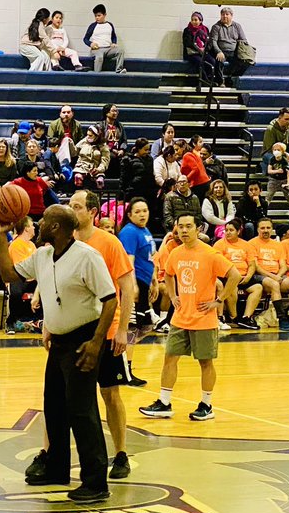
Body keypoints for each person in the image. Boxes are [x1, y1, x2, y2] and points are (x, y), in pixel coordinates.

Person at [0, 205, 118, 502]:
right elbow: (9, 274)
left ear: (58, 228)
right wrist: (0, 235)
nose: (39, 223)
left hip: (84, 339)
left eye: (45, 220)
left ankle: (96, 481)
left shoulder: (88, 257)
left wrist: (96, 343)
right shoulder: (43, 256)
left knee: (81, 410)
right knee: (55, 407)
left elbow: (110, 300)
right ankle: (57, 468)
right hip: (59, 342)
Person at [140, 212, 242, 420]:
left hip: (204, 319)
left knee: (205, 362)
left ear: (198, 229)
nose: (184, 230)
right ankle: (164, 402)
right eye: (181, 227)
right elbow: (168, 274)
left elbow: (235, 275)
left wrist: (219, 299)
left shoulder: (210, 254)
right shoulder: (176, 253)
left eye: (189, 226)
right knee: (169, 358)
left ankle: (206, 405)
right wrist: (173, 294)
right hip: (180, 318)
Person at [72, 190, 137, 480]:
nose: (71, 210)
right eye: (70, 205)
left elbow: (127, 287)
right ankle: (68, 454)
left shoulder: (109, 243)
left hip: (107, 330)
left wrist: (123, 329)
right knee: (71, 397)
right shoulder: (66, 242)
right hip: (75, 332)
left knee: (111, 394)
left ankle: (121, 453)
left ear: (92, 211)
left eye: (77, 206)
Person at [118, 198, 155, 384]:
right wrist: (132, 286)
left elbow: (150, 258)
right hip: (135, 283)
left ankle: (118, 353)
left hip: (145, 282)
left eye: (145, 210)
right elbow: (128, 261)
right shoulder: (129, 232)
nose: (142, 214)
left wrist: (154, 280)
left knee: (147, 326)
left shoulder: (145, 230)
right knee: (131, 328)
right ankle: (125, 370)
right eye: (138, 211)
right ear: (130, 214)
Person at [209, 7, 250, 86]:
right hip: (221, 51)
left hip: (233, 52)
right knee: (219, 60)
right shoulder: (216, 27)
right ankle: (220, 82)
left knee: (246, 62)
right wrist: (219, 51)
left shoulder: (237, 26)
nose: (225, 16)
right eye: (223, 14)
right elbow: (213, 41)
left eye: (227, 14)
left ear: (231, 16)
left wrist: (242, 51)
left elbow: (244, 40)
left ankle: (231, 78)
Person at [84, 4, 125, 73]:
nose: (97, 18)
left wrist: (114, 43)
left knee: (120, 51)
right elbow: (85, 39)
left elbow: (113, 36)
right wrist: (90, 44)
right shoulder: (93, 26)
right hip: (97, 49)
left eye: (99, 16)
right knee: (99, 57)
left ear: (105, 15)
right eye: (95, 16)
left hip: (108, 49)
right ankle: (97, 74)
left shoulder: (110, 25)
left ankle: (119, 70)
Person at [183, 12, 216, 83]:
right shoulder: (187, 30)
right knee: (200, 62)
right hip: (192, 53)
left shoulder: (205, 29)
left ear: (200, 21)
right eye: (192, 20)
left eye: (196, 20)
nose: (193, 22)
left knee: (212, 61)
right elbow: (188, 43)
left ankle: (208, 78)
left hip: (203, 52)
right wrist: (198, 48)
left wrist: (205, 48)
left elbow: (209, 41)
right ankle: (205, 80)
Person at [72, 125, 109, 189]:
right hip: (82, 167)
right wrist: (71, 145)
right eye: (87, 135)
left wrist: (99, 169)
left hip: (95, 169)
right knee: (78, 176)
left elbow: (105, 161)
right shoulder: (83, 142)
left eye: (90, 135)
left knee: (99, 179)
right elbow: (74, 152)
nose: (88, 137)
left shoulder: (103, 146)